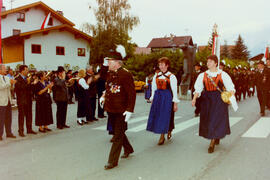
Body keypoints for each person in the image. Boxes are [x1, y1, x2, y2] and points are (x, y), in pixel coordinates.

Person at [100, 50, 136, 170]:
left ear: (116, 62)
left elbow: (132, 94)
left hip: (122, 110)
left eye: (109, 61)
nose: (108, 63)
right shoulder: (111, 73)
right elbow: (109, 88)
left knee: (117, 136)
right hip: (111, 108)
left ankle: (112, 161)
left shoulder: (126, 74)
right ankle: (129, 148)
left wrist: (130, 109)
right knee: (117, 132)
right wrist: (103, 96)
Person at [192, 55, 235, 153]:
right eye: (207, 61)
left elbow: (230, 88)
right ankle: (216, 136)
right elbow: (198, 89)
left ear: (216, 63)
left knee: (216, 118)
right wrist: (194, 99)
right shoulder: (202, 75)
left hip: (218, 99)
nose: (208, 63)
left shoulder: (223, 74)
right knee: (208, 119)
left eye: (210, 61)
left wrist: (231, 97)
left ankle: (212, 141)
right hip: (207, 99)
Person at [146, 57, 179, 145]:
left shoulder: (171, 77)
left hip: (167, 97)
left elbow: (175, 91)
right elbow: (153, 88)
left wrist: (175, 103)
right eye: (159, 64)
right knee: (158, 115)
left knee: (166, 115)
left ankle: (163, 135)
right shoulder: (156, 76)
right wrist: (152, 98)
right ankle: (164, 131)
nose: (160, 66)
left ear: (167, 65)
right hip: (158, 97)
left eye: (162, 64)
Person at [15, 65, 37, 137]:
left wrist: (33, 84)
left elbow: (30, 88)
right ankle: (21, 131)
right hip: (21, 100)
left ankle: (29, 129)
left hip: (28, 100)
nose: (28, 71)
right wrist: (29, 84)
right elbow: (20, 88)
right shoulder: (17, 79)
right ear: (22, 71)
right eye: (26, 70)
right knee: (21, 116)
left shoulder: (28, 78)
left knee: (29, 115)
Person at [0, 64, 16, 140]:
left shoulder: (7, 77)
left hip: (8, 100)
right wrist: (10, 83)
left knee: (8, 118)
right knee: (1, 119)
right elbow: (1, 87)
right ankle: (0, 134)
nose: (6, 70)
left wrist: (12, 84)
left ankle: (9, 133)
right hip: (1, 101)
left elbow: (9, 88)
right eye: (4, 69)